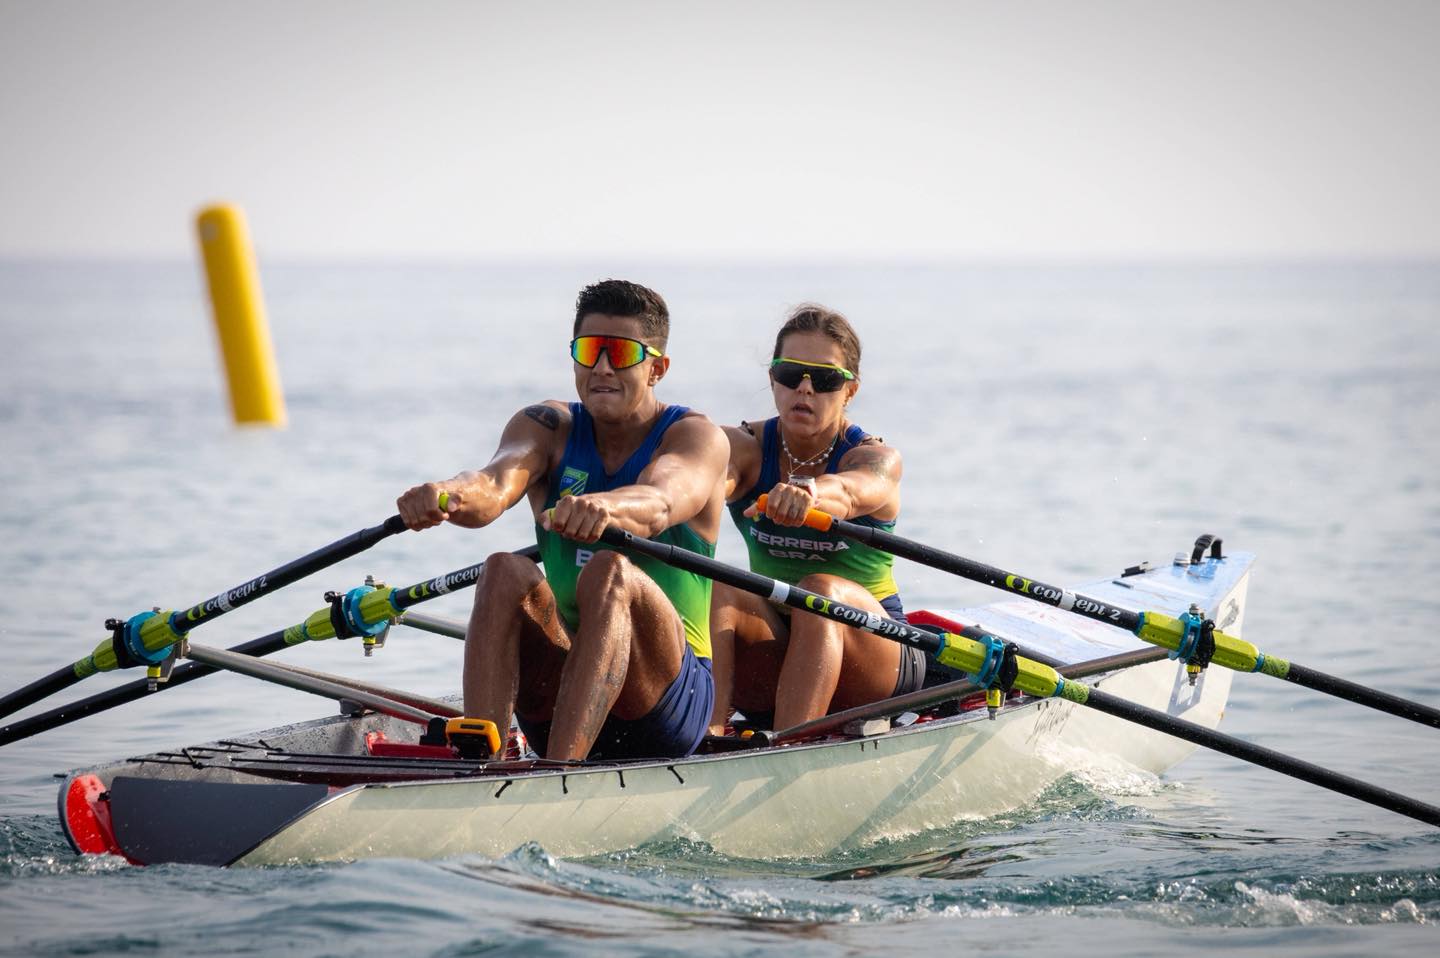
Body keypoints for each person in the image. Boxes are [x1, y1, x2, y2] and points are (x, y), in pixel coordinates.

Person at [397, 280, 729, 761]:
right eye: (590, 351)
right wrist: (447, 494)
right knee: (503, 569)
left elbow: (660, 502)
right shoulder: (547, 426)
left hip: (667, 705)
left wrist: (606, 508)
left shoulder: (695, 436)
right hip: (570, 685)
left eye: (621, 353)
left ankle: (559, 771)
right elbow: (492, 485)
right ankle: (482, 762)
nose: (602, 368)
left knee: (610, 570)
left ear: (657, 368)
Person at [709, 304, 920, 733]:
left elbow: (850, 491)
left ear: (850, 391)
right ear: (773, 379)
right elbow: (696, 485)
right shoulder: (743, 448)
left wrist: (810, 494)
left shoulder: (875, 458)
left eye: (824, 380)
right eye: (791, 374)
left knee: (818, 591)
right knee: (720, 585)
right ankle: (704, 739)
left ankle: (789, 748)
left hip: (877, 656)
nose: (804, 389)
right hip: (780, 646)